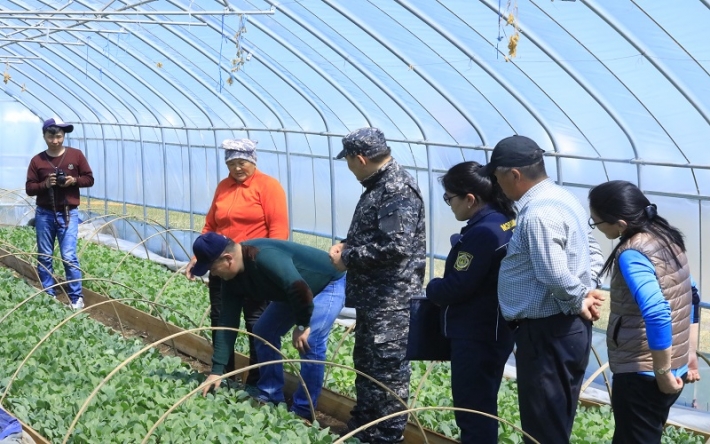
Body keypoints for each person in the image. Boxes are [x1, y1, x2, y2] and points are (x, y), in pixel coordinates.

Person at [481, 135, 605, 444]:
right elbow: (592, 249)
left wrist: (578, 296)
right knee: (555, 421)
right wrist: (589, 288)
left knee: (542, 429)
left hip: (548, 333)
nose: (498, 186)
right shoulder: (564, 199)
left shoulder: (538, 213)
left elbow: (552, 272)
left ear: (514, 175)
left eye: (497, 178)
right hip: (564, 330)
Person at [329, 127, 426, 444]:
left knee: (387, 374)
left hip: (391, 302)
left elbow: (395, 246)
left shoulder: (397, 189)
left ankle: (385, 436)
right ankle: (364, 429)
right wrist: (348, 244)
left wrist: (349, 255)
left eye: (348, 161)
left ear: (360, 158)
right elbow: (377, 235)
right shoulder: (378, 185)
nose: (348, 167)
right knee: (368, 368)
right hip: (375, 300)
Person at [588, 180, 702, 443]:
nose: (596, 227)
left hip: (644, 374)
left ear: (620, 224)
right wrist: (689, 355)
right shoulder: (666, 236)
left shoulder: (632, 253)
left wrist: (662, 374)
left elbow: (657, 312)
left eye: (597, 222)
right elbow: (692, 295)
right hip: (675, 365)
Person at [193, 232, 345, 422]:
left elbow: (299, 288)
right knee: (264, 331)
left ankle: (304, 410)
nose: (213, 274)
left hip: (327, 283)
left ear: (228, 259)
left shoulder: (263, 256)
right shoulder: (231, 281)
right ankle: (270, 394)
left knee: (310, 340)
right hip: (293, 291)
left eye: (213, 269)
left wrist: (302, 324)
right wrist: (217, 371)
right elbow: (227, 322)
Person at [186, 138, 289, 388]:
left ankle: (258, 381)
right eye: (231, 163)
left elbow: (279, 231)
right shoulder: (224, 187)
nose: (237, 168)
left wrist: (268, 265)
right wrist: (199, 256)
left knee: (257, 324)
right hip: (222, 267)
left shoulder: (268, 187)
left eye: (242, 162)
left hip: (254, 269)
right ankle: (224, 376)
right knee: (221, 319)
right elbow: (210, 225)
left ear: (253, 161)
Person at [425, 161, 516, 444]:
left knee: (472, 411)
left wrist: (433, 287)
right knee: (483, 406)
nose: (449, 205)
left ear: (471, 199)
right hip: (496, 329)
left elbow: (458, 285)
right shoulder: (505, 219)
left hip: (478, 333)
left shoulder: (482, 233)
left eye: (449, 198)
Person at [25, 118, 94, 310]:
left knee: (69, 255)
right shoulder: (37, 161)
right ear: (44, 136)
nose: (55, 140)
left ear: (63, 136)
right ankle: (49, 293)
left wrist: (74, 180)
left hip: (68, 213)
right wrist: (45, 185)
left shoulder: (76, 156)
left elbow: (89, 179)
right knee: (45, 255)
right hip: (44, 213)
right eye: (51, 136)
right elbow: (30, 188)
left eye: (59, 136)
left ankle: (76, 297)